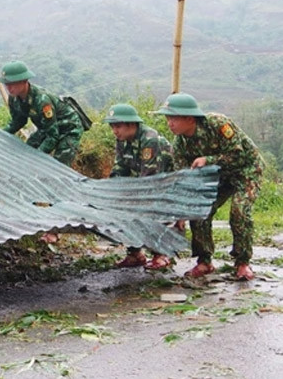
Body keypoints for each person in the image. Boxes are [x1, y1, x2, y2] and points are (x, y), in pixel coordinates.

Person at [154, 93, 262, 281]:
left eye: (173, 118)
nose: (169, 123)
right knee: (199, 212)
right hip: (218, 177)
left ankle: (243, 262)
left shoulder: (218, 124)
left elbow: (239, 155)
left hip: (246, 171)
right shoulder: (179, 145)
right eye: (167, 118)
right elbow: (184, 180)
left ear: (189, 118)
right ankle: (204, 261)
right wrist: (180, 211)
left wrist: (208, 160)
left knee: (240, 212)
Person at [104, 103, 176, 270]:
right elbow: (120, 167)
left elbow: (150, 178)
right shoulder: (122, 140)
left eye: (118, 126)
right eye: (112, 126)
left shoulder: (149, 139)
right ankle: (135, 254)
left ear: (132, 124)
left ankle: (161, 254)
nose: (115, 131)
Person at [0, 61, 84, 166]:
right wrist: (0, 134)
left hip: (68, 128)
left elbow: (52, 136)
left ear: (24, 81)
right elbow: (18, 121)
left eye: (12, 83)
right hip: (47, 127)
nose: (9, 88)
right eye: (6, 84)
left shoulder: (42, 100)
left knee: (59, 166)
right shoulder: (14, 98)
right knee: (27, 150)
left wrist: (38, 157)